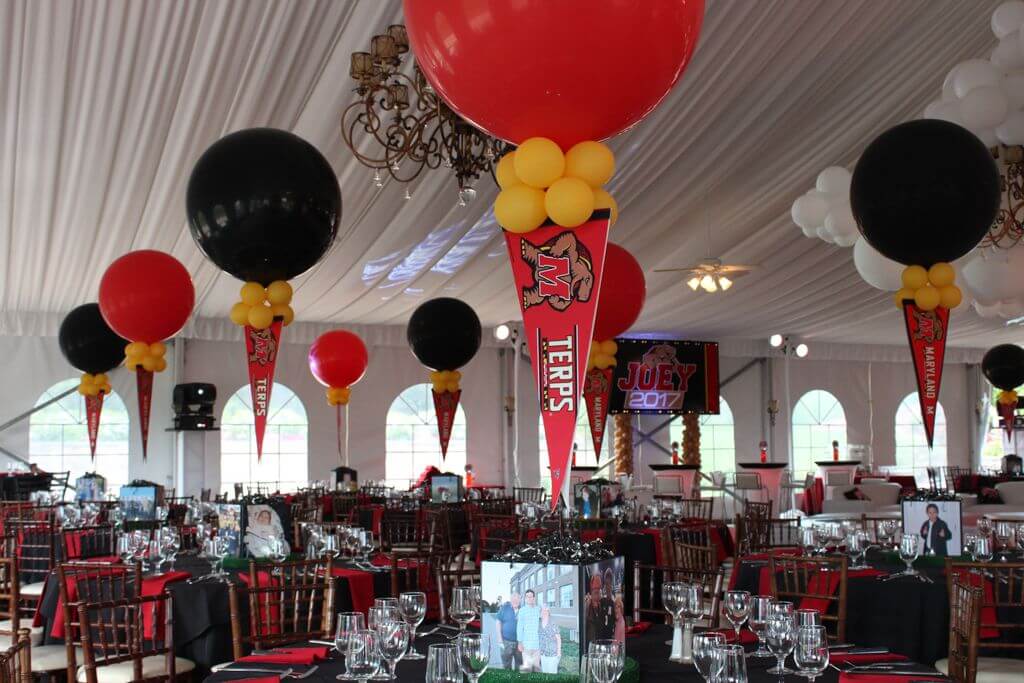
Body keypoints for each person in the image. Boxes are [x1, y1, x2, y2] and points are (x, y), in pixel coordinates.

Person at [516, 589, 542, 672]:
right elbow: (519, 627)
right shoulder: (522, 611)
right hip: (526, 645)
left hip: (537, 645)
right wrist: (520, 642)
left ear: (534, 598)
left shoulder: (538, 609)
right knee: (527, 670)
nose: (529, 598)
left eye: (531, 597)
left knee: (536, 669)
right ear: (525, 599)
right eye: (527, 597)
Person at [585, 573, 615, 641]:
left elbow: (609, 600)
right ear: (591, 593)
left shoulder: (602, 603)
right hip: (590, 644)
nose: (598, 595)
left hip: (600, 642)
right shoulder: (587, 607)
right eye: (596, 592)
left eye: (599, 592)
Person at [495, 592, 521, 670]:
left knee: (520, 666)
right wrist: (500, 640)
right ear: (510, 600)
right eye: (513, 599)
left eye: (517, 599)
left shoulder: (523, 609)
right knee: (506, 666)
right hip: (506, 643)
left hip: (520, 643)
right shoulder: (505, 608)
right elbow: (498, 622)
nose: (515, 601)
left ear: (520, 600)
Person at [538, 605, 561, 674]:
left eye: (546, 610)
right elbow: (539, 638)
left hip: (552, 654)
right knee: (545, 672)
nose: (544, 612)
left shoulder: (553, 622)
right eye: (542, 610)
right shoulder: (539, 623)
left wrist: (559, 652)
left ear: (548, 612)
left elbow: (558, 638)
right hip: (543, 653)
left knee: (552, 673)